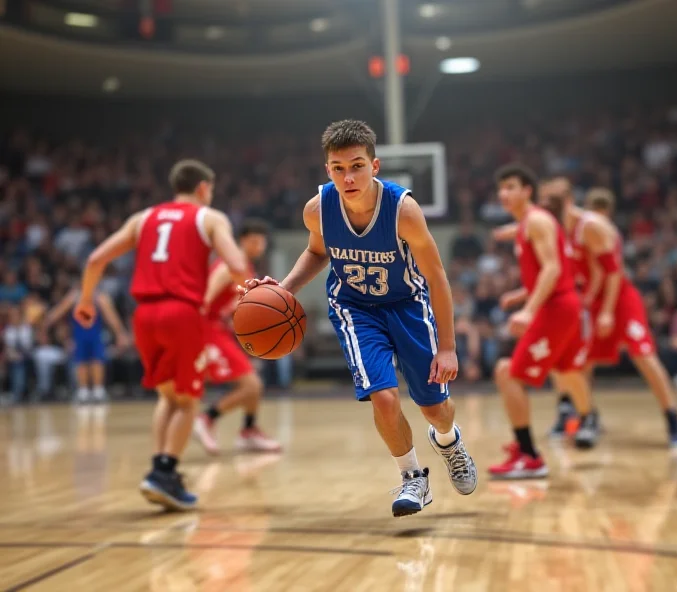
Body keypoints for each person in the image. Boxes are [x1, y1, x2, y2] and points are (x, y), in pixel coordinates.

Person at [241, 120, 476, 517]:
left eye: (356, 166)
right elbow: (318, 253)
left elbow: (437, 277)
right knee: (383, 396)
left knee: (435, 409)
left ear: (375, 166)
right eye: (338, 168)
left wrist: (449, 347)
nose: (347, 177)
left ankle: (449, 441)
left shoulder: (404, 211)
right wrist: (283, 290)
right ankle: (412, 478)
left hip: (407, 305)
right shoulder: (318, 209)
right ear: (327, 170)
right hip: (355, 309)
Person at [73, 159, 248, 511]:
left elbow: (95, 259)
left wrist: (86, 299)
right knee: (187, 400)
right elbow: (237, 265)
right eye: (210, 190)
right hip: (182, 313)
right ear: (203, 187)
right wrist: (249, 294)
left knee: (167, 398)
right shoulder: (210, 218)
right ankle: (164, 471)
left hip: (144, 316)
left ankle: (161, 470)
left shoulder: (143, 218)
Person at [552, 182, 677, 450]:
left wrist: (604, 310)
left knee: (644, 355)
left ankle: (673, 418)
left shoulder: (592, 226)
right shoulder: (558, 227)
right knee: (579, 363)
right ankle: (584, 415)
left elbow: (612, 272)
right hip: (593, 300)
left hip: (620, 299)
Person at [488, 165, 597, 481]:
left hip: (556, 309)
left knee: (506, 373)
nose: (503, 194)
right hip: (564, 305)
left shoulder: (535, 221)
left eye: (510, 186)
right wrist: (521, 295)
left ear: (527, 190)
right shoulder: (530, 223)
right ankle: (588, 417)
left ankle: (529, 455)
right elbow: (554, 269)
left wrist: (528, 310)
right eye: (501, 188)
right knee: (566, 371)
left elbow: (551, 270)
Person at [194, 219, 281, 454]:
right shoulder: (229, 265)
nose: (258, 246)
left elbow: (230, 304)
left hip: (220, 330)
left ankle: (249, 431)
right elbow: (204, 299)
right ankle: (206, 419)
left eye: (261, 242)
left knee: (252, 385)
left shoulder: (246, 268)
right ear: (242, 241)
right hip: (207, 330)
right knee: (251, 385)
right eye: (254, 241)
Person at [43, 287, 130, 403]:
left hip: (95, 335)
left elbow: (111, 316)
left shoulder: (99, 296)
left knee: (97, 360)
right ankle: (83, 390)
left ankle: (98, 390)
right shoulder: (75, 296)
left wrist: (120, 333)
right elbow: (59, 311)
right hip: (79, 336)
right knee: (81, 361)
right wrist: (46, 321)